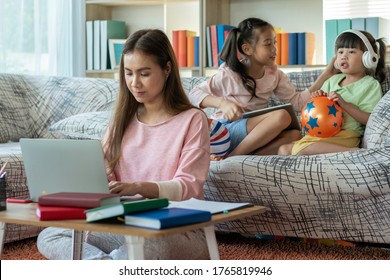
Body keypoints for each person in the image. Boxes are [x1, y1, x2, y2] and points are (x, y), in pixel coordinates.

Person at [37, 29, 211, 260]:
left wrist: (138, 187)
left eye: (144, 73)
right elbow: (104, 175)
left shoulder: (192, 119)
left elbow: (188, 186)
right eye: (128, 73)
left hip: (176, 229)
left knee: (150, 245)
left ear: (167, 69)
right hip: (124, 224)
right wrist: (73, 187)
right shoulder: (122, 119)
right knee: (50, 235)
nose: (134, 83)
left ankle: (109, 263)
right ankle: (113, 265)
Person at [189, 17, 336, 157]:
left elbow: (297, 102)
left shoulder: (275, 74)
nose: (274, 49)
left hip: (253, 137)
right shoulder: (230, 74)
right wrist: (223, 103)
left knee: (294, 135)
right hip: (228, 131)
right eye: (267, 44)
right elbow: (194, 93)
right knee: (282, 116)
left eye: (275, 42)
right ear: (247, 49)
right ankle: (233, 156)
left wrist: (325, 76)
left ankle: (247, 155)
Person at [278, 29, 387, 156]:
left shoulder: (370, 85)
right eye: (340, 52)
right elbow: (318, 108)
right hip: (321, 134)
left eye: (351, 52)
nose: (343, 56)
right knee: (283, 150)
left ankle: (353, 152)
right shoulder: (332, 81)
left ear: (368, 58)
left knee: (301, 150)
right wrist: (317, 98)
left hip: (345, 136)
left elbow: (371, 120)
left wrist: (344, 104)